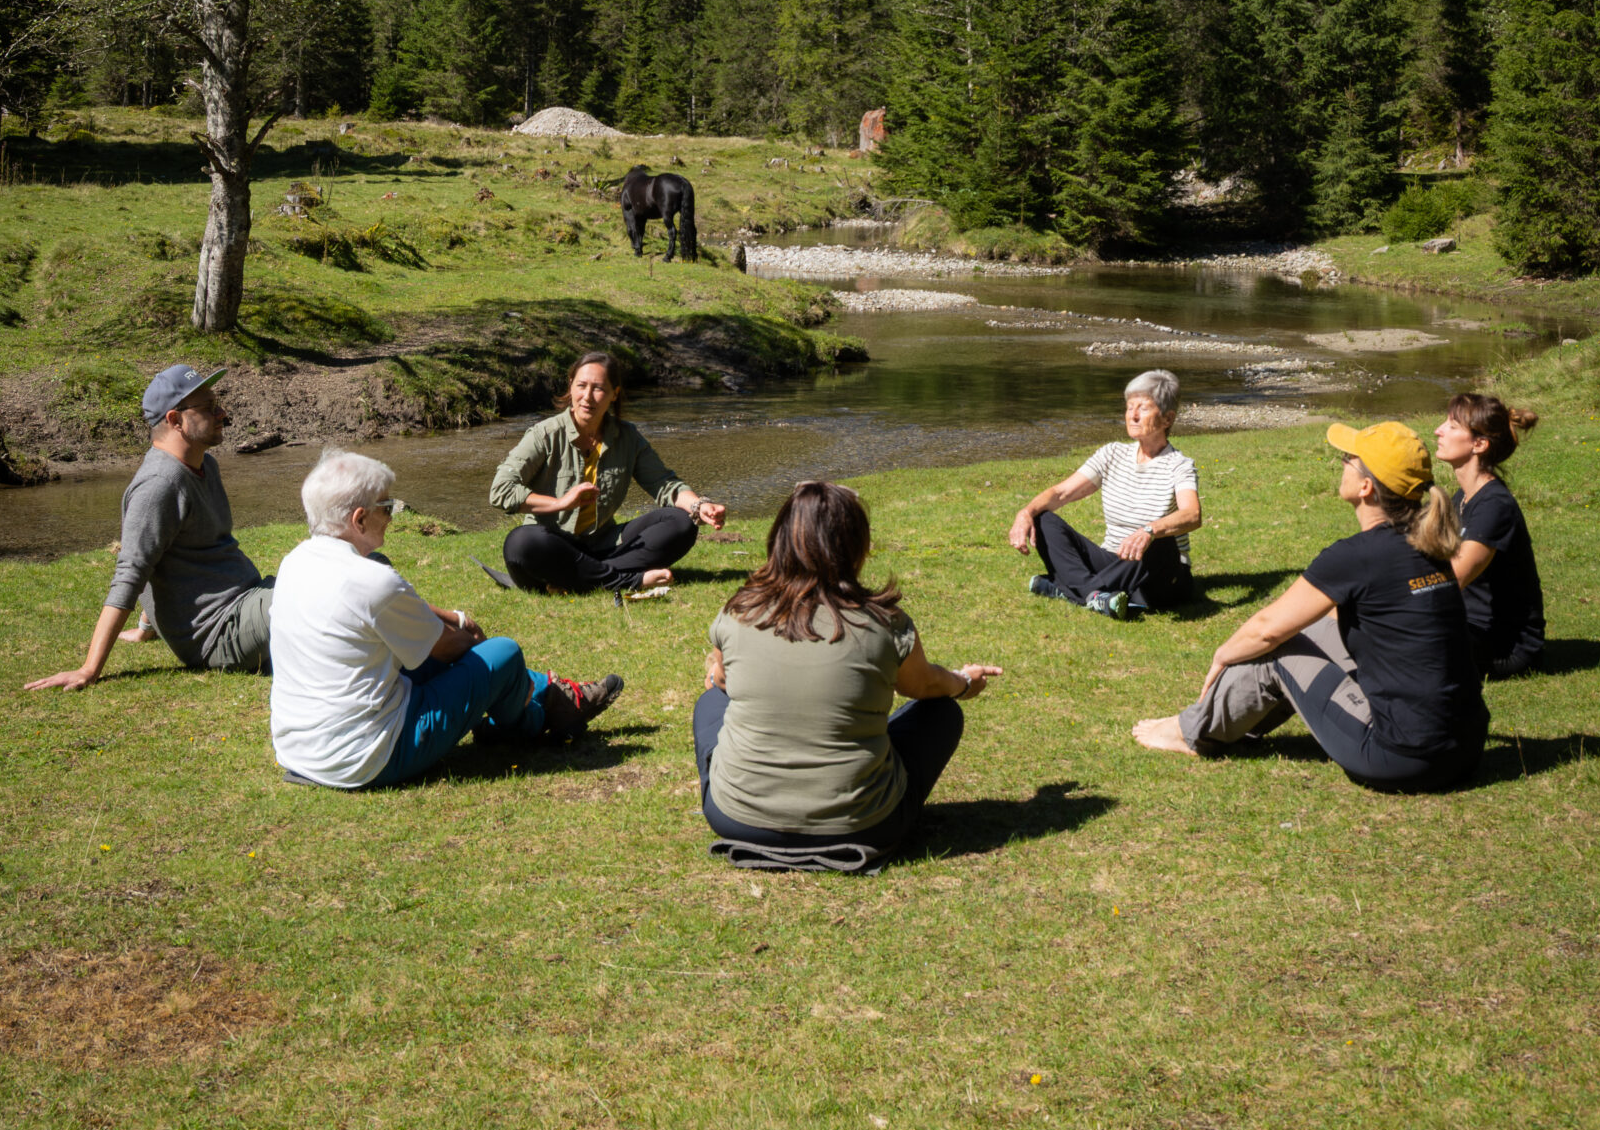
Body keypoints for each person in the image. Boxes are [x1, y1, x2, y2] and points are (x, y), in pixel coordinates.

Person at [1133, 420, 1488, 794]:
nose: (1342, 462)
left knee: (1275, 650)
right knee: (1311, 632)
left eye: (1349, 458)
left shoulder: (1357, 555)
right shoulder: (1429, 545)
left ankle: (1189, 732)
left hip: (1400, 758)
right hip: (1465, 750)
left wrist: (1221, 656)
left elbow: (1266, 629)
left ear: (1366, 487)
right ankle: (1219, 723)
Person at [269, 447, 623, 789]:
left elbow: (392, 617)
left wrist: (453, 617)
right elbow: (450, 648)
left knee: (441, 657)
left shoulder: (294, 563)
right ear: (359, 519)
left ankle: (547, 693)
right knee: (504, 653)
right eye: (387, 506)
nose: (392, 516)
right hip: (367, 758)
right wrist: (474, 640)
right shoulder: (372, 581)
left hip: (299, 753)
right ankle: (538, 719)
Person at [694, 478, 1001, 860]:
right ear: (857, 546)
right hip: (866, 823)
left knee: (709, 705)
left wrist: (719, 676)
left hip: (735, 819)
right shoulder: (884, 621)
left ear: (780, 539)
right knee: (943, 713)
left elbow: (720, 681)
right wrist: (964, 682)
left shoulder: (739, 611)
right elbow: (926, 686)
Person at [25, 364, 275, 692]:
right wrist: (89, 669)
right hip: (221, 631)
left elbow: (168, 551)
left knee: (352, 570)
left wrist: (147, 624)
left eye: (218, 404)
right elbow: (131, 572)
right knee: (330, 593)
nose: (222, 413)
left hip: (249, 601)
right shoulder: (159, 485)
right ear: (174, 420)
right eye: (209, 408)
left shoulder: (204, 465)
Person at [486, 350, 727, 597]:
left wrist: (699, 506)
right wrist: (560, 503)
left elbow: (664, 484)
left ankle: (581, 579)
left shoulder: (628, 437)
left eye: (598, 389)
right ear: (571, 386)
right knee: (520, 543)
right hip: (552, 545)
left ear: (615, 394)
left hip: (603, 544)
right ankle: (626, 579)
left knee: (682, 522)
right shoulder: (544, 435)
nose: (587, 397)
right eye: (581, 386)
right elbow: (501, 489)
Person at [1007, 369, 1200, 619]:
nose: (1133, 415)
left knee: (1163, 541)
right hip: (1113, 560)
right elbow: (1061, 493)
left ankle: (1069, 588)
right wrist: (1025, 513)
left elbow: (1192, 514)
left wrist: (1149, 531)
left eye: (1143, 408)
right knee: (1043, 519)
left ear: (1167, 419)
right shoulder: (1112, 454)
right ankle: (1095, 595)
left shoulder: (1179, 465)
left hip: (1159, 572)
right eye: (1129, 407)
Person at [1436, 391, 1545, 680]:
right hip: (1468, 625)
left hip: (1504, 647)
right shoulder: (1463, 496)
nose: (1439, 430)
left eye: (1452, 426)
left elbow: (1451, 579)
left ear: (1479, 444)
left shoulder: (1494, 505)